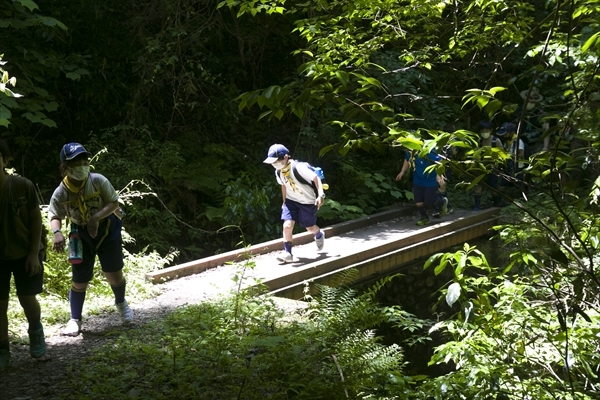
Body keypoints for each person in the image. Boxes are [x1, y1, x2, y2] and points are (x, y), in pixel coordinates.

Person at [48, 143, 133, 336]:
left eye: (84, 160)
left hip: (107, 229)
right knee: (80, 278)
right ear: (66, 166)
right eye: (76, 162)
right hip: (80, 234)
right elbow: (54, 214)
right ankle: (75, 319)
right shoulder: (61, 191)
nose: (81, 165)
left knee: (114, 272)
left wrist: (95, 218)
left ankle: (121, 303)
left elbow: (113, 202)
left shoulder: (98, 181)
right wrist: (57, 233)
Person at [0, 139, 46, 370]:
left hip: (26, 252)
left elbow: (36, 219)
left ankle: (36, 333)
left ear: (5, 160)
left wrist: (33, 254)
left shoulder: (22, 185)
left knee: (27, 298)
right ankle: (2, 350)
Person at [263, 144, 326, 263]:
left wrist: (320, 195)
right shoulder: (279, 172)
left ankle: (318, 234)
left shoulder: (299, 167)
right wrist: (284, 202)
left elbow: (316, 178)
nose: (274, 164)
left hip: (307, 202)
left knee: (310, 227)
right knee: (287, 225)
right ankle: (288, 253)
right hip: (291, 201)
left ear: (285, 157)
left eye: (276, 161)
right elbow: (284, 186)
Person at [396, 148, 448, 226]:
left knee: (429, 200)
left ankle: (442, 202)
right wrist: (402, 172)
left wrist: (438, 175)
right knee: (418, 201)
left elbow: (440, 161)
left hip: (430, 179)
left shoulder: (427, 151)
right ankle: (424, 217)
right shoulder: (410, 151)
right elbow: (407, 159)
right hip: (418, 179)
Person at [472, 120, 504, 210]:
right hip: (481, 167)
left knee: (493, 189)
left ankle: (496, 204)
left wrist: (497, 164)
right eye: (482, 131)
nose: (484, 133)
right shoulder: (480, 140)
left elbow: (501, 154)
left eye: (486, 131)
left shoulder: (495, 141)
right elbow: (477, 153)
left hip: (492, 167)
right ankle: (477, 207)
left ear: (491, 130)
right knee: (478, 187)